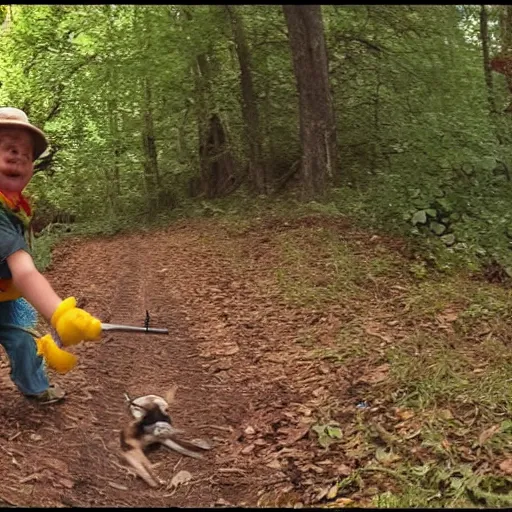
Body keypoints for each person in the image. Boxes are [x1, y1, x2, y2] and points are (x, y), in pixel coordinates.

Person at [0, 106, 101, 404]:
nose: (18, 157)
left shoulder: (14, 205)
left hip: (5, 295)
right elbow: (24, 270)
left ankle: (35, 386)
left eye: (27, 155)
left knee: (27, 338)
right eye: (8, 148)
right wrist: (60, 313)